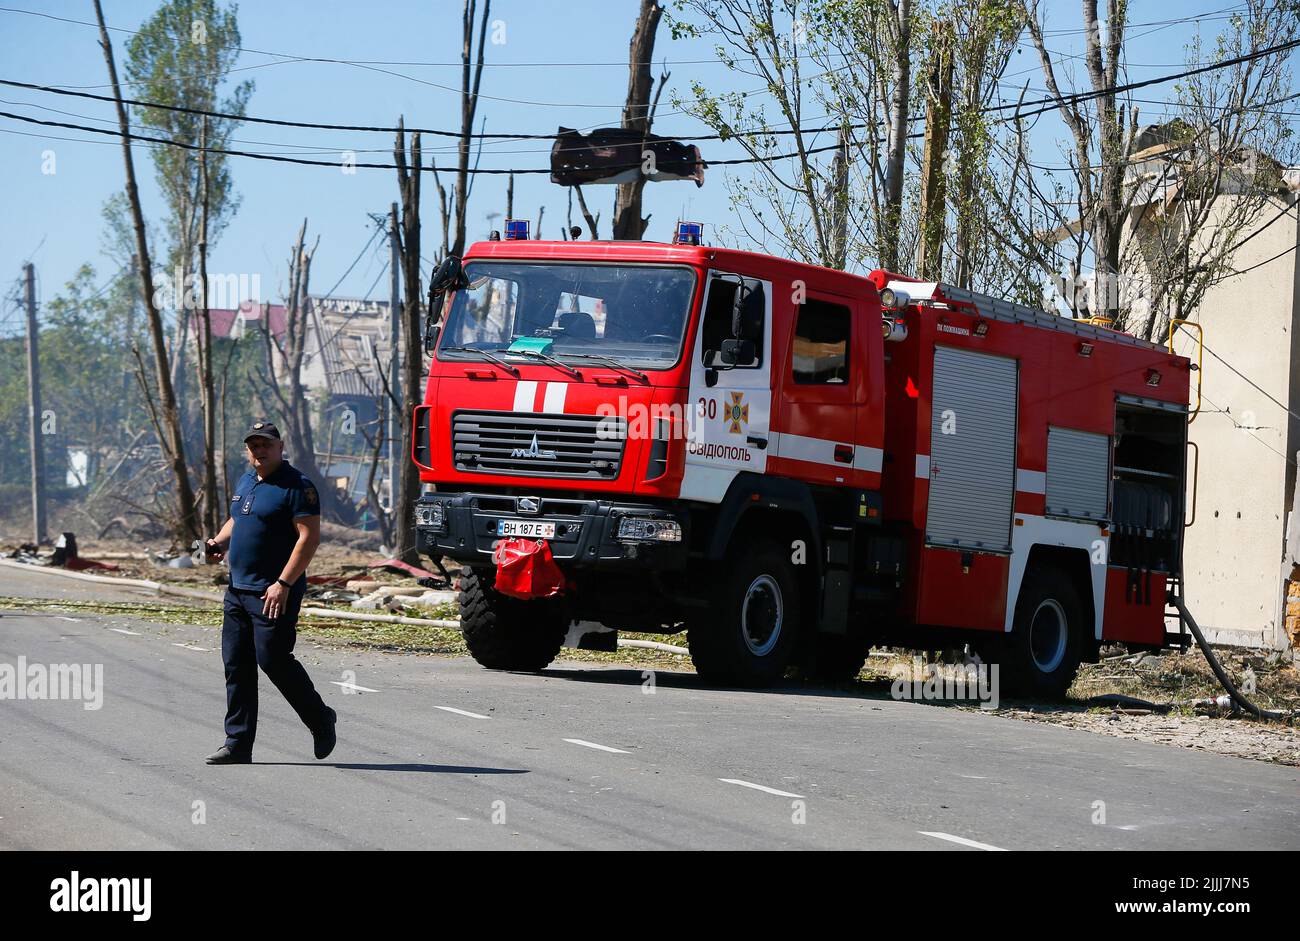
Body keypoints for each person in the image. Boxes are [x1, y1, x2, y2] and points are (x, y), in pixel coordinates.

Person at [202, 421, 337, 765]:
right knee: (237, 665)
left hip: (274, 592)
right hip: (237, 590)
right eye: (253, 445)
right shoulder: (247, 481)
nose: (259, 451)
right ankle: (238, 742)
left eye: (265, 444)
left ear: (280, 447)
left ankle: (320, 718)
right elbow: (237, 518)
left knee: (273, 660)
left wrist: (284, 583)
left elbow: (309, 538)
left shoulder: (298, 486)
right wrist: (218, 542)